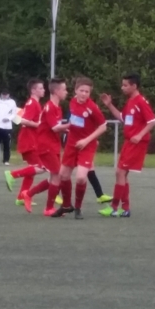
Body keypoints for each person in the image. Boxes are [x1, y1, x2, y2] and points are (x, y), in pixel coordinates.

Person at [99, 73, 155, 218]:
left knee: (120, 172)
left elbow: (152, 121)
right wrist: (109, 105)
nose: (122, 88)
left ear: (134, 86)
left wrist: (140, 135)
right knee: (121, 174)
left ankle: (114, 208)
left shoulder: (141, 101)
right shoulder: (131, 101)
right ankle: (125, 209)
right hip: (129, 142)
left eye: (125, 85)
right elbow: (122, 118)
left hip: (136, 143)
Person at [53, 77, 107, 219]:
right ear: (76, 90)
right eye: (81, 90)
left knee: (81, 178)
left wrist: (87, 140)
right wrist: (64, 127)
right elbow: (74, 122)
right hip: (72, 144)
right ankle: (66, 205)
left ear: (90, 93)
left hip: (87, 145)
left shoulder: (92, 107)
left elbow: (103, 127)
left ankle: (78, 208)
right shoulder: (72, 102)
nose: (84, 94)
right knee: (63, 175)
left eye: (87, 92)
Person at [21, 78, 69, 216]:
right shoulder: (49, 107)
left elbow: (56, 128)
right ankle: (48, 208)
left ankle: (29, 194)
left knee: (55, 176)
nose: (66, 92)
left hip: (54, 145)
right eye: (64, 89)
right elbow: (55, 128)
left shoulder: (57, 107)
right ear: (56, 91)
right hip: (46, 146)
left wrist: (69, 130)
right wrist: (71, 125)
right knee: (57, 175)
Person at [3, 79, 47, 208]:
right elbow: (24, 120)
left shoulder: (34, 103)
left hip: (31, 139)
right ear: (33, 90)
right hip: (29, 140)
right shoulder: (32, 103)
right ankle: (12, 174)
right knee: (42, 167)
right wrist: (39, 125)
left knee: (32, 170)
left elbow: (21, 118)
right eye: (41, 88)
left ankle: (21, 197)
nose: (43, 90)